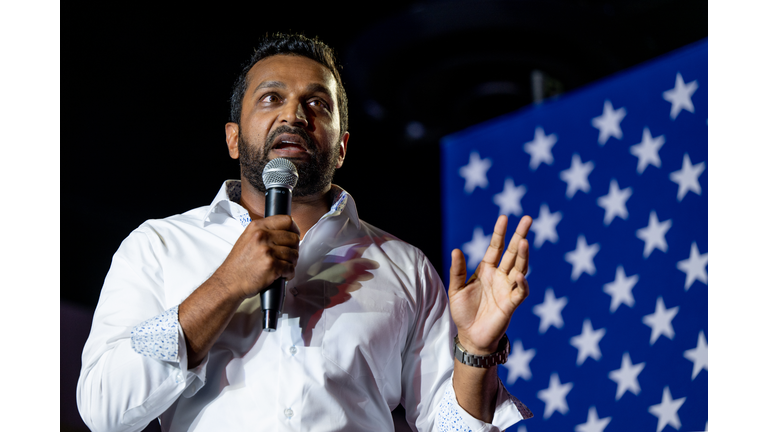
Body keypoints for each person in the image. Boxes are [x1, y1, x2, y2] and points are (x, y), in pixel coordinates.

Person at [77, 33, 534, 432]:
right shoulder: (158, 246)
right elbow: (105, 409)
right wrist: (227, 284)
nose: (294, 115)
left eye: (317, 103)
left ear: (342, 147)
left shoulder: (403, 267)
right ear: (234, 138)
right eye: (271, 98)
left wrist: (474, 351)